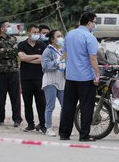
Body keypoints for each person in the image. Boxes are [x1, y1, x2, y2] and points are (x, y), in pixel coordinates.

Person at [59, 12, 100, 142]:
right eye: (95, 22)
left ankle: (64, 134)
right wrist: (97, 74)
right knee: (86, 107)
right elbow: (92, 58)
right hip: (86, 78)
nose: (95, 25)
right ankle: (84, 135)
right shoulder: (90, 37)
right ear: (89, 23)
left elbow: (64, 54)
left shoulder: (69, 34)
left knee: (68, 106)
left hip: (71, 77)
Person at [0, 20, 22, 127]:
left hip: (13, 71)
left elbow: (16, 52)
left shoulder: (13, 39)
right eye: (8, 26)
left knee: (15, 97)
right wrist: (10, 50)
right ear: (2, 28)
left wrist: (5, 50)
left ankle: (17, 119)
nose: (10, 28)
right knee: (0, 97)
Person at [18, 24, 47, 133]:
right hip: (26, 78)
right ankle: (30, 124)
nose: (36, 34)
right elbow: (22, 57)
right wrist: (37, 56)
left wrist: (28, 59)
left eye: (37, 32)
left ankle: (43, 124)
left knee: (41, 102)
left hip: (39, 78)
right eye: (34, 32)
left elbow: (43, 60)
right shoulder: (22, 44)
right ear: (28, 33)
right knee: (27, 102)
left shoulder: (42, 45)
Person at [41, 29, 65, 137]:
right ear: (52, 39)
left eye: (61, 36)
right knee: (50, 105)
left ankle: (63, 126)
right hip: (50, 81)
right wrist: (58, 61)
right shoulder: (48, 51)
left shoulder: (61, 50)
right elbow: (45, 66)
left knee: (65, 105)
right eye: (58, 36)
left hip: (61, 80)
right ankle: (48, 128)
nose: (61, 38)